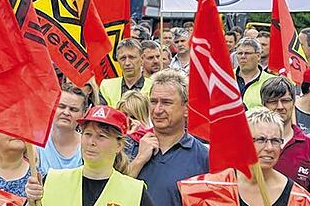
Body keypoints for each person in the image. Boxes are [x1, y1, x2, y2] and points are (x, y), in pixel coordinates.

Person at [177, 107, 310, 206]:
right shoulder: (207, 189)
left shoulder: (299, 199)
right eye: (261, 140)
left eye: (275, 141)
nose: (269, 148)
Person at [25, 105, 153, 206]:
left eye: (101, 136)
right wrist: (31, 202)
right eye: (87, 134)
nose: (91, 142)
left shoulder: (135, 191)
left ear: (118, 146)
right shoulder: (53, 180)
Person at [129, 69, 208, 206]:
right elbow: (111, 195)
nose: (158, 110)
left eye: (166, 103)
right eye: (153, 102)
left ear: (187, 109)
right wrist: (139, 161)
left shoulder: (203, 157)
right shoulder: (129, 146)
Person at [261, 77, 310, 198]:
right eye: (273, 101)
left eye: (285, 100)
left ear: (293, 102)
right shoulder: (252, 145)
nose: (280, 106)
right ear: (263, 105)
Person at [37, 84, 88, 175]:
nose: (66, 112)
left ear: (83, 114)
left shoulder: (88, 145)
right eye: (61, 106)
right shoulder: (36, 142)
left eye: (73, 109)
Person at [100, 39, 153, 107]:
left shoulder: (153, 87)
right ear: (117, 59)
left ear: (142, 58)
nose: (127, 63)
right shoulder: (106, 86)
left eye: (132, 57)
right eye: (123, 58)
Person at [234, 37, 275, 109]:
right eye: (240, 53)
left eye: (247, 53)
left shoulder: (271, 82)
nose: (243, 56)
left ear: (258, 56)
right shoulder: (225, 77)